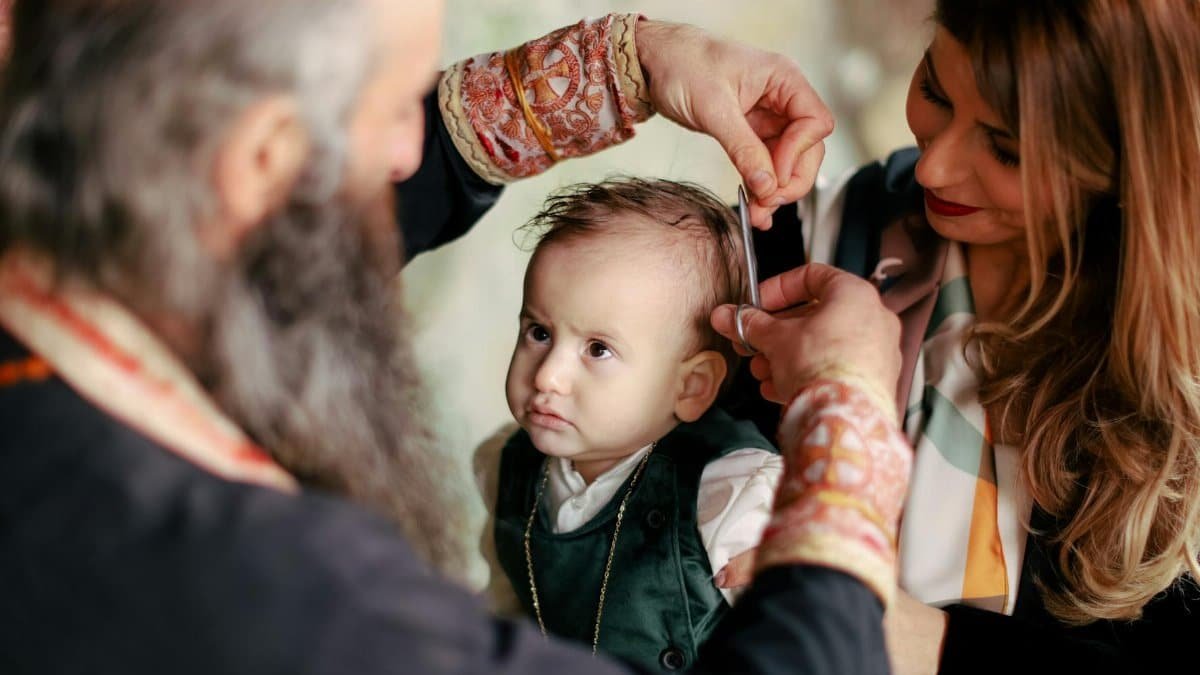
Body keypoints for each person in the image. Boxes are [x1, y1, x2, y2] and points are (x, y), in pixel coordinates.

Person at [0, 1, 910, 673]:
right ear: (264, 161)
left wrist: (624, 64)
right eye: (400, 104)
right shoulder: (283, 591)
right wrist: (850, 406)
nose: (414, 148)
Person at [721, 1, 1200, 673]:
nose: (933, 168)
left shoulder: (1180, 386)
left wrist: (926, 639)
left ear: (1129, 170)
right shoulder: (822, 239)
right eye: (935, 92)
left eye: (1006, 149)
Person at [480, 178, 782, 669]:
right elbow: (507, 607)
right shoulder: (509, 464)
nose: (549, 376)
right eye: (539, 332)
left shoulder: (734, 495)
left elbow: (805, 643)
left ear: (690, 386)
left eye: (598, 349)